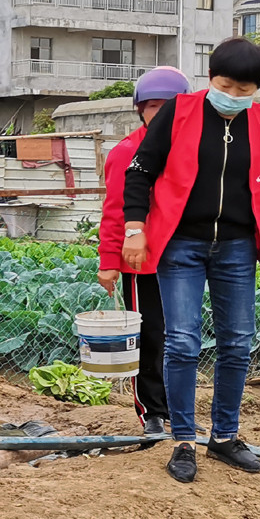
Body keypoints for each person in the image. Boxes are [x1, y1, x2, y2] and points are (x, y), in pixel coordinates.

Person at [120, 37, 260, 485]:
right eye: (225, 84)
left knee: (237, 342)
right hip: (181, 243)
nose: (234, 95)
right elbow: (139, 172)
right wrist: (135, 229)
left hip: (237, 246)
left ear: (257, 89)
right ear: (210, 79)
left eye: (245, 89)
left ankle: (224, 435)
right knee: (182, 341)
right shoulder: (178, 114)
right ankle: (182, 438)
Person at [97, 66, 192, 437]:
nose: (160, 112)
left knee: (180, 336)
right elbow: (115, 210)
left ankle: (177, 409)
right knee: (150, 335)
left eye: (168, 105)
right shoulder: (126, 152)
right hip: (143, 262)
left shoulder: (193, 151)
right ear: (140, 109)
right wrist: (109, 262)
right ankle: (152, 412)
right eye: (152, 105)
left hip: (184, 259)